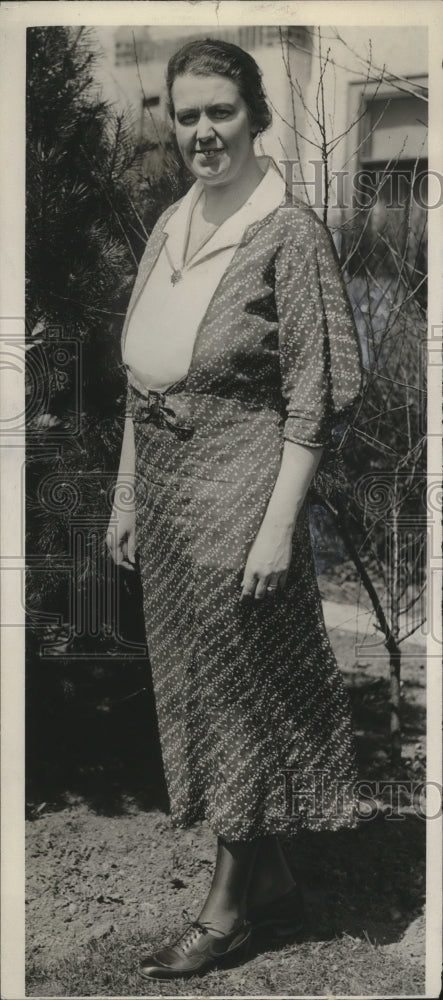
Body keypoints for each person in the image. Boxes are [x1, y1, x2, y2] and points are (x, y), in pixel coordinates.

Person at [106, 37, 363, 981]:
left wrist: (277, 525)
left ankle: (225, 915)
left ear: (257, 115)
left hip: (241, 496)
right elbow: (141, 375)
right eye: (187, 116)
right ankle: (276, 879)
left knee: (236, 697)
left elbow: (314, 397)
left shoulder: (285, 231)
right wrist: (127, 494)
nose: (203, 131)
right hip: (169, 498)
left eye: (220, 111)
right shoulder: (173, 221)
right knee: (202, 689)